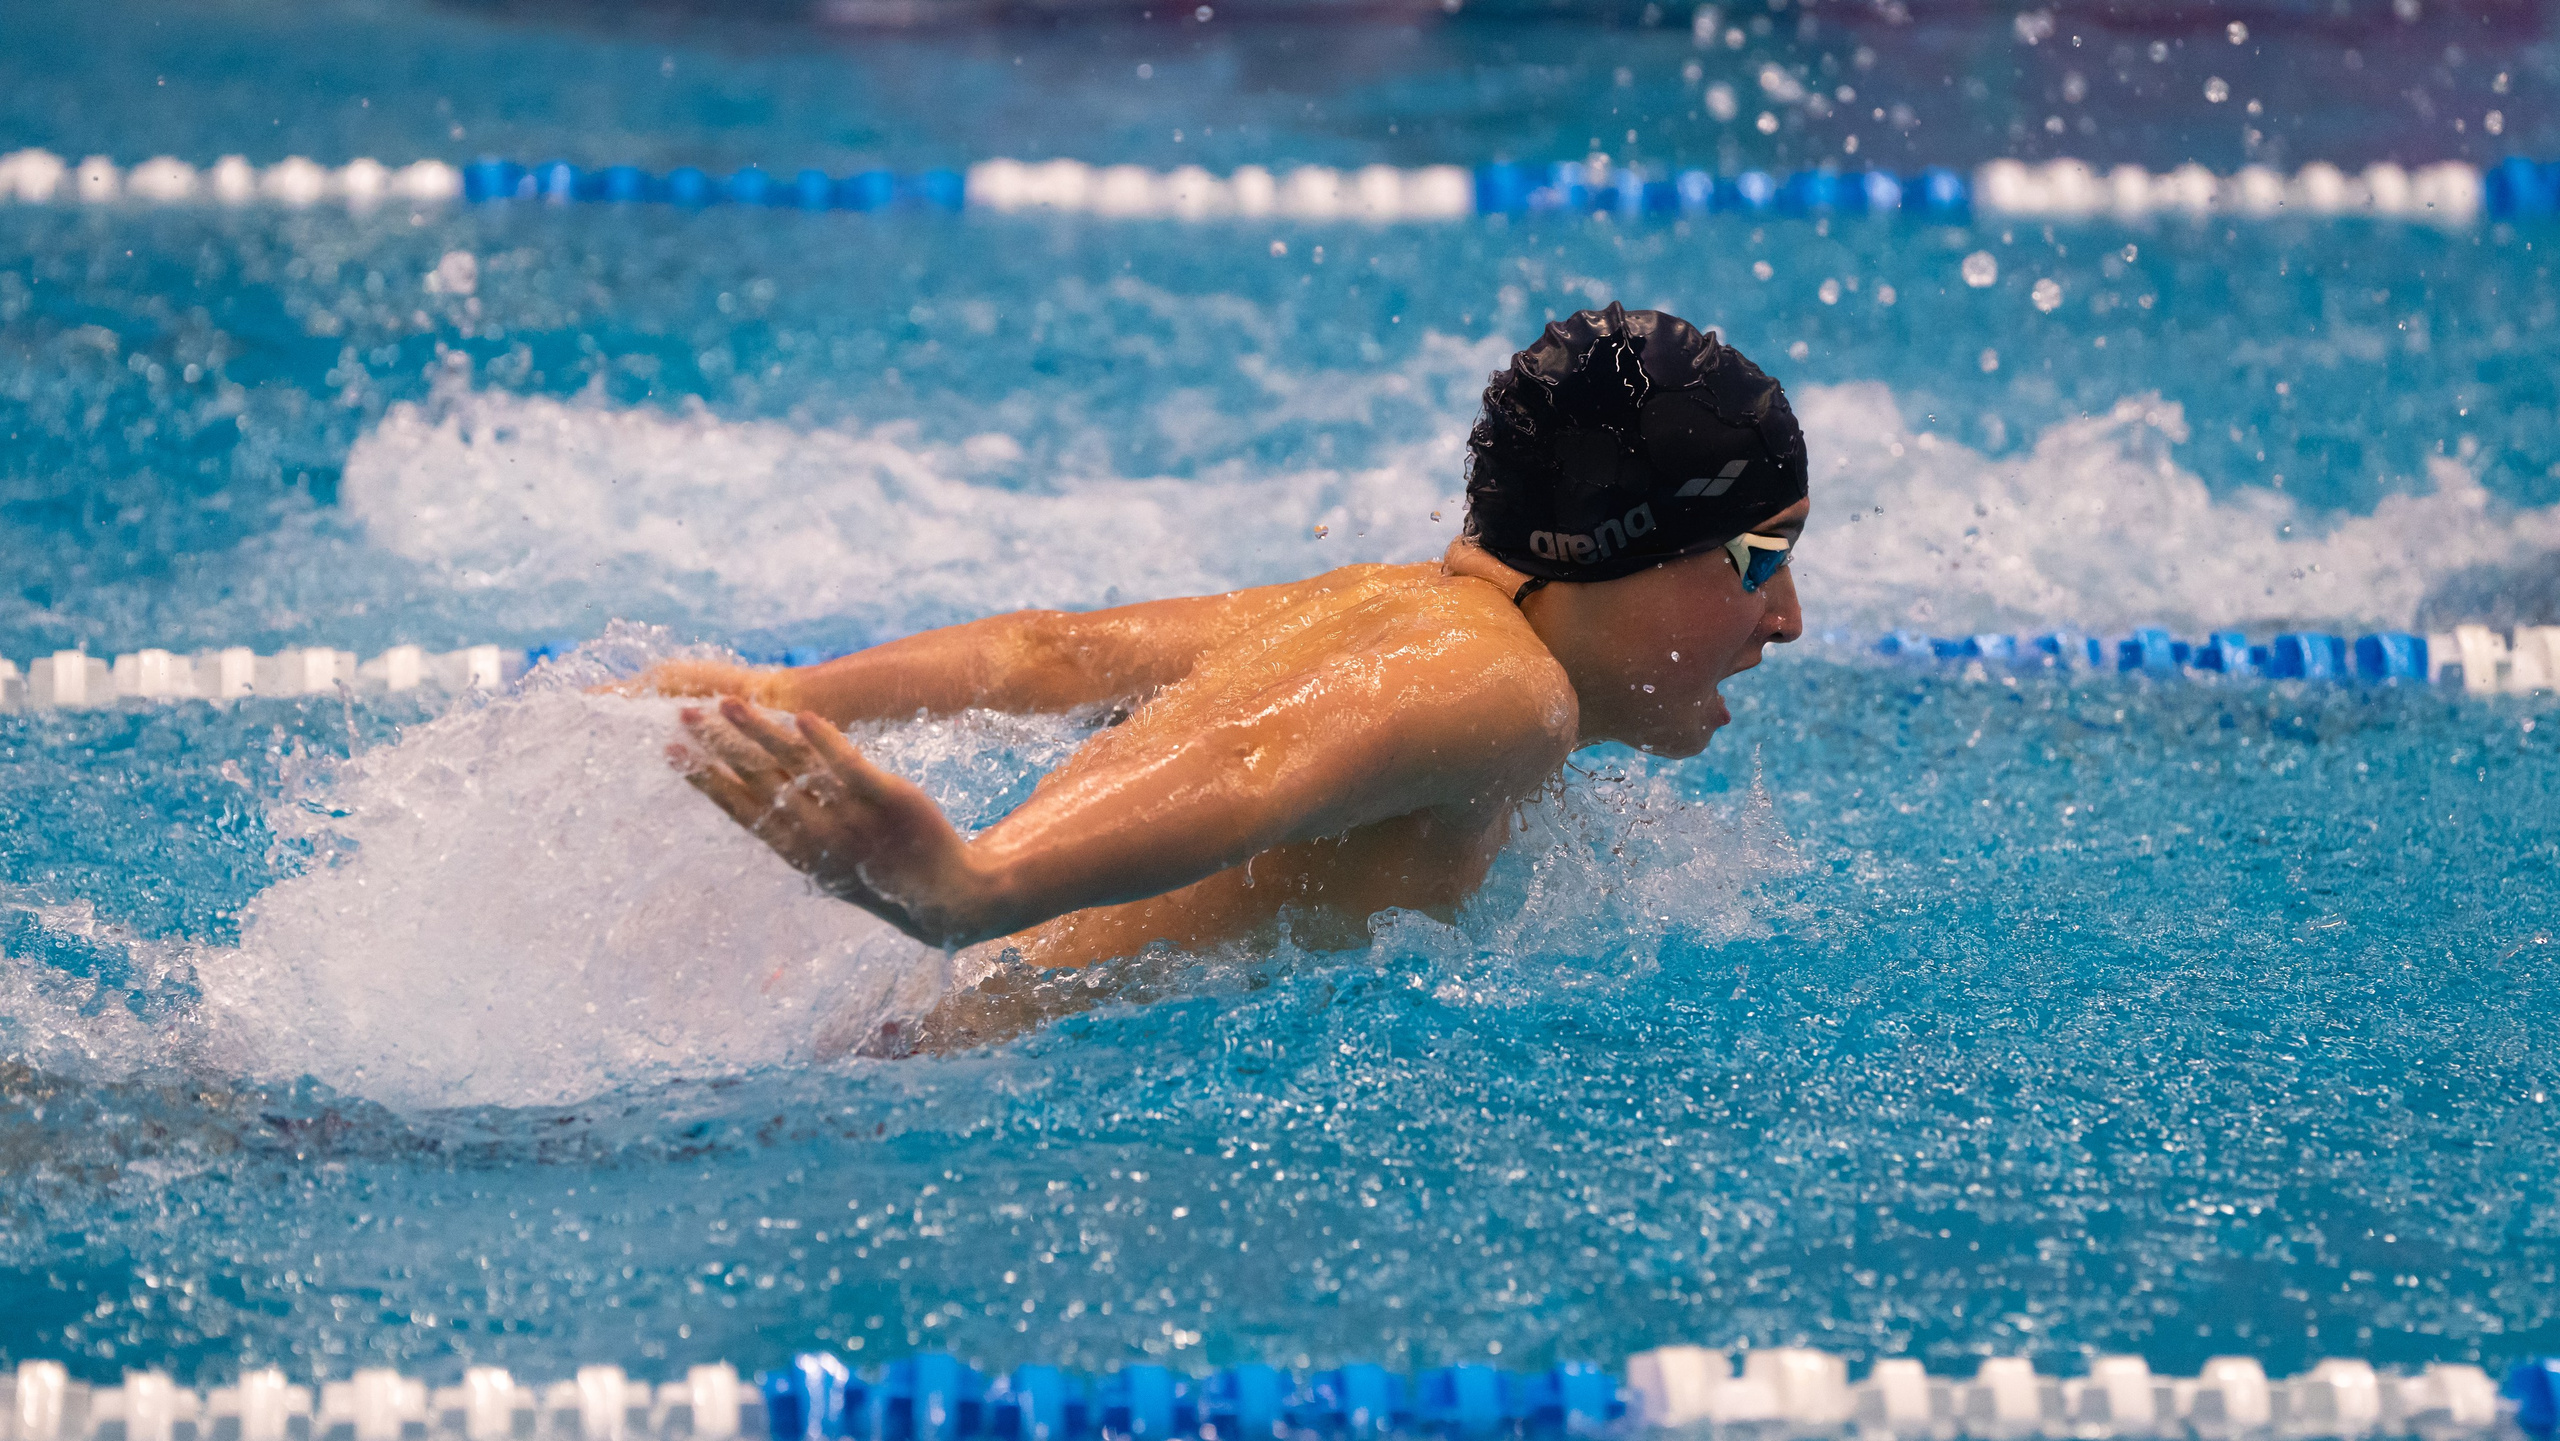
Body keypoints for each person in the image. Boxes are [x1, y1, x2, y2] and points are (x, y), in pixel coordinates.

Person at [639, 303, 1809, 1045]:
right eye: (1756, 559)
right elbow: (1253, 762)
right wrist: (974, 884)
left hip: (904, 1027)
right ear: (1621, 545)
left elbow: (1052, 653)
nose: (1788, 617)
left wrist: (791, 696)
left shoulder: (1380, 601)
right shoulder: (1510, 694)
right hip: (938, 1073)